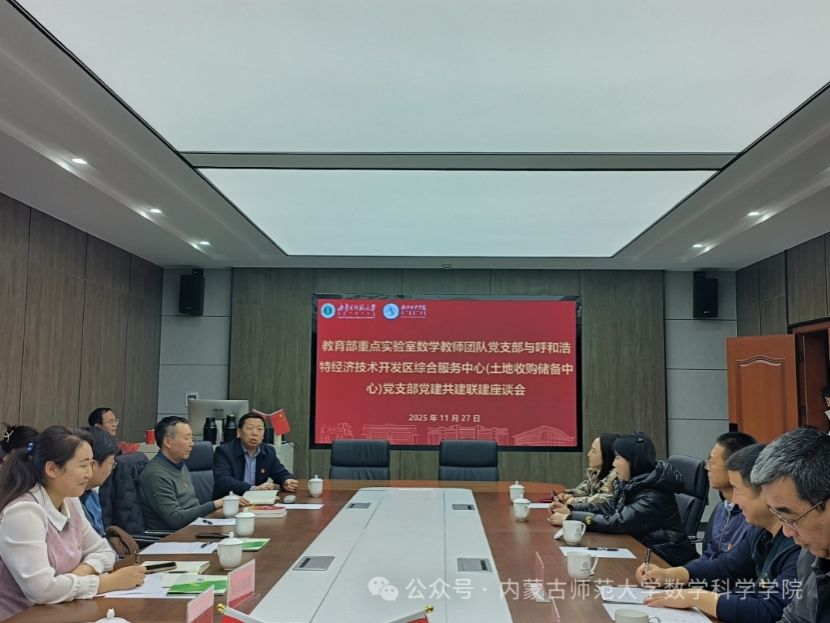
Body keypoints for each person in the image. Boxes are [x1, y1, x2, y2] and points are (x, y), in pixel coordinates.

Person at [636, 443, 799, 623]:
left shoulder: (800, 545)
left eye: (737, 490)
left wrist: (695, 597)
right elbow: (726, 567)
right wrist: (668, 575)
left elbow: (768, 611)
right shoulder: (761, 531)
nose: (734, 499)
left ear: (766, 492)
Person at [0, 426, 145, 620]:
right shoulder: (23, 513)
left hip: (64, 611)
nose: (89, 473)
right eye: (83, 465)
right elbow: (42, 590)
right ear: (52, 469)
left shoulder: (70, 501)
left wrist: (82, 571)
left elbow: (104, 551)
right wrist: (109, 582)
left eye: (91, 464)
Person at [549, 432, 697, 566]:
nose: (613, 464)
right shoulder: (634, 482)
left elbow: (619, 522)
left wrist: (573, 518)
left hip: (664, 560)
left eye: (618, 458)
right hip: (641, 550)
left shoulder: (653, 495)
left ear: (633, 461)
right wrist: (572, 509)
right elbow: (610, 506)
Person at [751, 427, 830, 623]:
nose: (786, 532)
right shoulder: (811, 556)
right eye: (777, 515)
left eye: (791, 518)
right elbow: (795, 618)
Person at [139, 416, 247, 531]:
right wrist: (218, 503)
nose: (192, 444)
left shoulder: (180, 465)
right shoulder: (155, 474)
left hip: (195, 526)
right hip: (173, 536)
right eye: (186, 438)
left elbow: (191, 507)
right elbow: (176, 519)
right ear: (167, 442)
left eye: (192, 438)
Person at [699, 431, 757, 560]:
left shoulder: (752, 517)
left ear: (734, 466)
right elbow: (710, 554)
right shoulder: (723, 508)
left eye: (711, 462)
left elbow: (734, 566)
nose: (707, 468)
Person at [213, 412, 298, 498]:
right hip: (230, 501)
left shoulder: (268, 452)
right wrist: (253, 489)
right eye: (250, 428)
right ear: (239, 432)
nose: (255, 433)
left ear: (263, 435)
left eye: (259, 429)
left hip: (257, 500)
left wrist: (286, 481)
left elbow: (280, 473)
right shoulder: (224, 451)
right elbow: (223, 480)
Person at [549, 433, 618, 511]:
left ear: (607, 455)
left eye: (593, 451)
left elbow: (603, 500)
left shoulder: (616, 476)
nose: (588, 454)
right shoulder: (596, 472)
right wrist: (568, 495)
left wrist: (573, 501)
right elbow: (585, 490)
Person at [79, 426, 118, 537]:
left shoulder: (92, 494)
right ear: (92, 464)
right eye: (111, 463)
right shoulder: (70, 500)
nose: (112, 468)